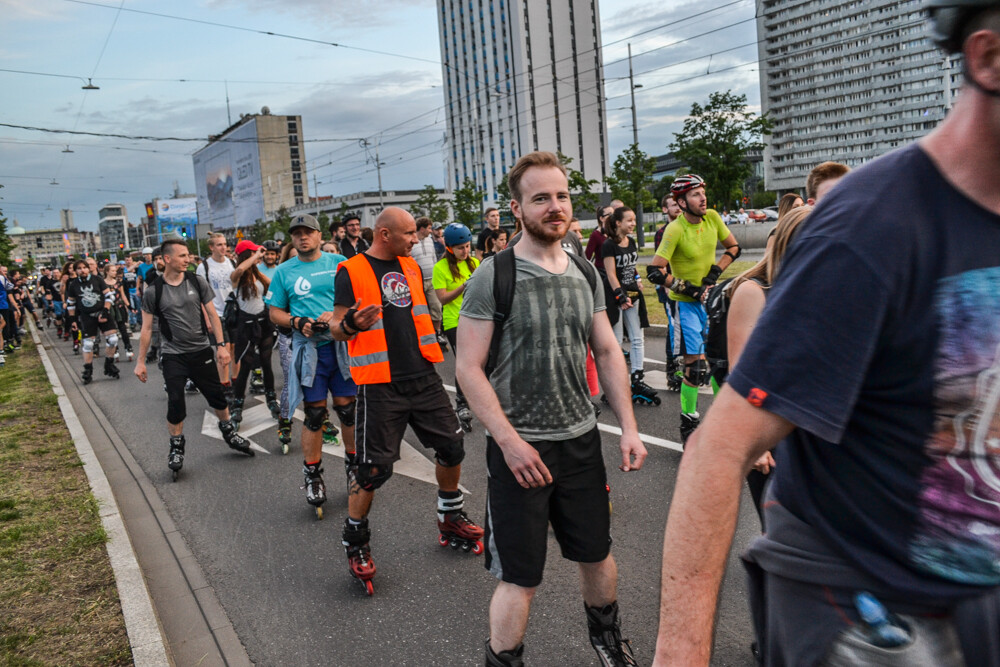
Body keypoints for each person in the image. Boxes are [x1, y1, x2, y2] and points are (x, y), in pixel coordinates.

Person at [654, 5, 1000, 666]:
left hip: (977, 590)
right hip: (869, 615)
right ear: (987, 58)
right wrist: (681, 653)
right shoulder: (873, 227)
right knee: (694, 372)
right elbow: (719, 451)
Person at [456, 151, 647, 666]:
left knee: (597, 555)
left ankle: (608, 644)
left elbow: (607, 351)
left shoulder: (584, 271)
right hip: (519, 450)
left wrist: (628, 427)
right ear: (517, 208)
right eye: (541, 198)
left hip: (581, 439)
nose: (555, 206)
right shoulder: (493, 276)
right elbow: (468, 369)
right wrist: (509, 442)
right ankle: (505, 660)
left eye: (561, 196)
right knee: (521, 577)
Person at [328, 206, 483, 595]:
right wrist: (350, 326)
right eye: (410, 233)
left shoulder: (411, 267)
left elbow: (422, 310)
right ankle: (356, 540)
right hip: (380, 384)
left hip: (423, 376)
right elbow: (335, 325)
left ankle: (449, 515)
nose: (418, 239)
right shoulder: (352, 270)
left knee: (452, 447)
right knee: (372, 471)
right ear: (384, 234)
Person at [715, 205, 812, 526]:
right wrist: (756, 446)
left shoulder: (811, 292)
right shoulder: (754, 292)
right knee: (779, 532)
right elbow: (742, 375)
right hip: (769, 438)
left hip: (807, 431)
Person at [134, 239, 254, 479]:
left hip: (200, 351)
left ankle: (228, 432)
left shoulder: (196, 282)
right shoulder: (153, 291)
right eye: (182, 256)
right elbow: (147, 329)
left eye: (188, 255)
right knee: (176, 400)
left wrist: (221, 346)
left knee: (218, 398)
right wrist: (139, 361)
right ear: (167, 259)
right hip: (173, 354)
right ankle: (176, 446)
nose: (188, 259)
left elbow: (212, 314)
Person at [266, 214, 357, 515]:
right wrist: (297, 321)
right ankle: (313, 475)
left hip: (341, 347)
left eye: (308, 233)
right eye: (297, 234)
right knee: (315, 414)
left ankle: (354, 468)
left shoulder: (339, 262)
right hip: (309, 351)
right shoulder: (283, 271)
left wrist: (336, 314)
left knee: (348, 410)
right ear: (292, 239)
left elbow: (357, 299)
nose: (303, 238)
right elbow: (274, 312)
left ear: (320, 236)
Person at [646, 174, 742, 444]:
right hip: (686, 306)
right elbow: (654, 271)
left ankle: (722, 421)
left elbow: (734, 247)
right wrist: (689, 288)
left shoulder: (712, 217)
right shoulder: (675, 229)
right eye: (696, 194)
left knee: (718, 364)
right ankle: (689, 422)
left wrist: (713, 275)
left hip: (710, 302)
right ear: (682, 201)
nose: (703, 198)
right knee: (695, 369)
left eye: (703, 193)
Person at [603, 206, 657, 406]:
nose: (634, 224)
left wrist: (637, 278)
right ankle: (615, 384)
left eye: (634, 220)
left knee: (637, 338)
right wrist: (620, 296)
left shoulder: (632, 242)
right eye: (630, 220)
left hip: (633, 295)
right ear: (618, 223)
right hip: (616, 297)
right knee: (616, 341)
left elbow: (631, 266)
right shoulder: (609, 245)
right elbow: (610, 274)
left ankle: (637, 379)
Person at [432, 222, 479, 429]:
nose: (465, 251)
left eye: (468, 246)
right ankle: (462, 403)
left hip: (477, 319)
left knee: (486, 361)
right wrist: (464, 286)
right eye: (461, 248)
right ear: (449, 248)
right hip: (454, 321)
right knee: (465, 362)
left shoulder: (475, 263)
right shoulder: (440, 268)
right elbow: (442, 299)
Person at [227, 240, 278, 427]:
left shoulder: (258, 273)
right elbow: (239, 271)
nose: (260, 255)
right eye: (254, 252)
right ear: (246, 255)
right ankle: (237, 405)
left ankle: (271, 399)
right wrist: (257, 255)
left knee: (266, 363)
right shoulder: (237, 276)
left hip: (263, 321)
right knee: (246, 365)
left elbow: (273, 285)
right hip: (246, 324)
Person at [65, 259, 120, 384]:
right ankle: (88, 370)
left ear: (88, 269)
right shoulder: (73, 285)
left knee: (113, 339)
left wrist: (105, 310)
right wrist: (73, 320)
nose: (82, 270)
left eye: (84, 267)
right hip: (87, 316)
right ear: (76, 271)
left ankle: (109, 364)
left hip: (102, 312)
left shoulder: (97, 279)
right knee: (88, 344)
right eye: (79, 268)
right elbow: (71, 303)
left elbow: (108, 296)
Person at [198, 234, 237, 397]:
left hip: (233, 311)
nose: (223, 248)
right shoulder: (204, 266)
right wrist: (207, 318)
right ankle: (224, 384)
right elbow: (200, 295)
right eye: (219, 245)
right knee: (224, 349)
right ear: (211, 247)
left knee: (235, 349)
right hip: (216, 313)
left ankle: (235, 381)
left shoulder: (232, 263)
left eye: (225, 244)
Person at [655, 195, 683, 391]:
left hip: (687, 286)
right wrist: (666, 285)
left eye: (679, 204)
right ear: (665, 209)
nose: (678, 208)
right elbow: (660, 264)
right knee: (673, 328)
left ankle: (689, 366)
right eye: (673, 205)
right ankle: (672, 370)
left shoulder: (686, 228)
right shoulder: (662, 233)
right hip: (669, 287)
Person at [411, 216, 447, 348]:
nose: (431, 231)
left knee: (436, 307)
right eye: (429, 228)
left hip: (432, 280)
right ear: (422, 229)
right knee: (421, 309)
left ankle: (437, 333)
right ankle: (422, 334)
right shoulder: (412, 241)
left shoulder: (430, 241)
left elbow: (433, 258)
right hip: (417, 281)